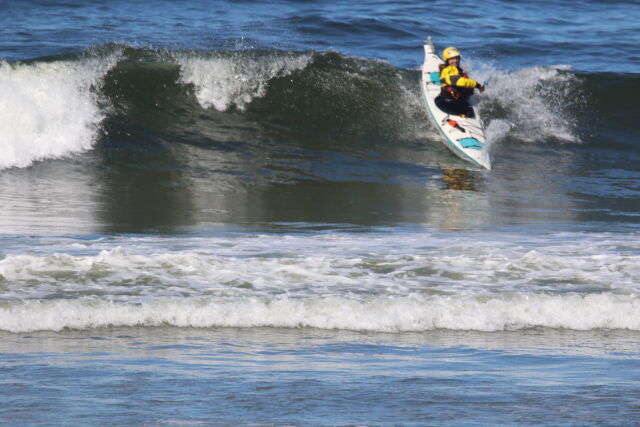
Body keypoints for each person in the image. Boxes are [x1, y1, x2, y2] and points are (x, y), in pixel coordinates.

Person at [435, 47, 485, 118]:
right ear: (447, 60)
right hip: (450, 105)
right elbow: (460, 82)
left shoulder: (457, 70)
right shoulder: (449, 71)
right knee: (471, 113)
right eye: (452, 59)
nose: (455, 61)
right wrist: (478, 86)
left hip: (451, 101)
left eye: (457, 58)